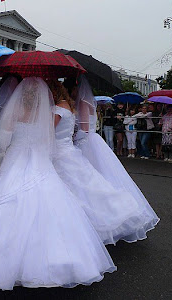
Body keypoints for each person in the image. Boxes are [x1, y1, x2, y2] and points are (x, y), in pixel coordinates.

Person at [0, 78, 116, 290]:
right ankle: (54, 260)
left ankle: (2, 264)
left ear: (21, 96)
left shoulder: (14, 112)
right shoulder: (45, 115)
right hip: (39, 162)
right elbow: (48, 140)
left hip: (16, 160)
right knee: (50, 205)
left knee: (9, 206)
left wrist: (5, 153)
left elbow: (1, 141)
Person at [48, 80, 152, 245]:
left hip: (82, 141)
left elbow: (84, 129)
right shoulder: (83, 103)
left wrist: (74, 137)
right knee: (91, 178)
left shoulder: (77, 104)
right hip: (78, 144)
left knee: (84, 181)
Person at [72, 76, 159, 242]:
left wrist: (72, 133)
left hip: (86, 141)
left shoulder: (82, 103)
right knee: (100, 177)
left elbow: (83, 128)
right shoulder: (91, 103)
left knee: (92, 179)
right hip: (93, 140)